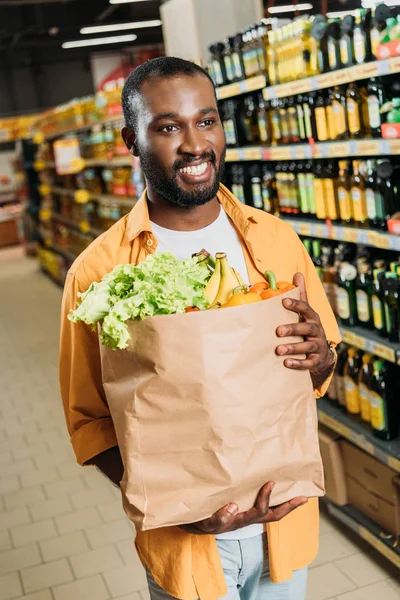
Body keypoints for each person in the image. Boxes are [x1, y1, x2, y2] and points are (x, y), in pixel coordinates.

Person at [59, 56, 341, 600]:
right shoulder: (97, 272)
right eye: (168, 127)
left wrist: (323, 359)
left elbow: (320, 364)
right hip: (187, 545)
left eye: (206, 120)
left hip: (286, 522)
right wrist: (173, 500)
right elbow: (89, 423)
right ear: (130, 141)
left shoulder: (277, 240)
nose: (194, 144)